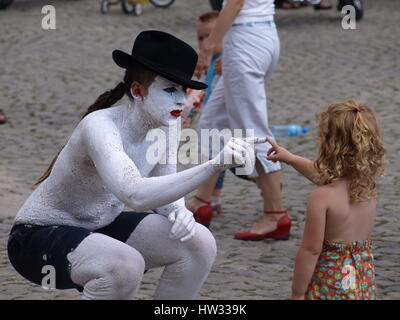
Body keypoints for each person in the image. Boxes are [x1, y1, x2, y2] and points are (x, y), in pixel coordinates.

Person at [7, 31, 258, 300]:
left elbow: (164, 188)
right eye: (170, 90)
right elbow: (134, 193)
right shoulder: (100, 126)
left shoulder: (168, 124)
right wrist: (214, 165)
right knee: (125, 266)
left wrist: (178, 210)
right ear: (138, 91)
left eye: (183, 91)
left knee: (199, 242)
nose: (181, 102)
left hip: (100, 226)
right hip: (35, 238)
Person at [266, 100, 386, 300]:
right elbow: (321, 175)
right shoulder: (366, 186)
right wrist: (291, 158)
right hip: (361, 283)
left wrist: (297, 294)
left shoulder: (322, 197)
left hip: (330, 286)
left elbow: (311, 250)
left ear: (329, 145)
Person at [193, 0, 290, 240]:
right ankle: (201, 202)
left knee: (253, 131)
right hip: (258, 35)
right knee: (212, 122)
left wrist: (208, 47)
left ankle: (276, 214)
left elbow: (235, 3)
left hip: (246, 38)